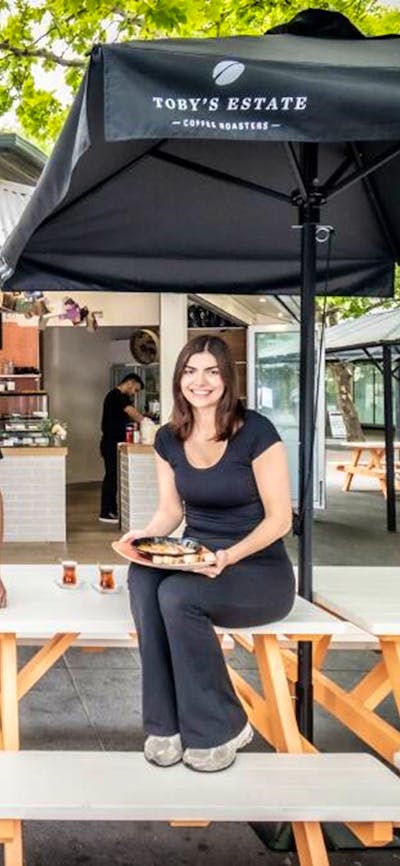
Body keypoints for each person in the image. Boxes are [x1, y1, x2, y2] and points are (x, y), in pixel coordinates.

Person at [121, 335, 294, 772]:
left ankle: (221, 725)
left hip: (257, 569)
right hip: (198, 558)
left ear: (226, 379)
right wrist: (142, 536)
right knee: (143, 578)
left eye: (212, 371)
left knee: (178, 596)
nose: (201, 381)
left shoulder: (256, 431)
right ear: (179, 378)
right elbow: (170, 512)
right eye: (191, 371)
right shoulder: (168, 439)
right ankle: (165, 724)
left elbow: (279, 520)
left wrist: (230, 556)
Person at [99, 373, 144, 523]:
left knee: (113, 476)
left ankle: (111, 510)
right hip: (111, 443)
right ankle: (107, 512)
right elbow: (134, 414)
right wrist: (147, 422)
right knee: (112, 477)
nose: (134, 393)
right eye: (135, 390)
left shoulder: (114, 396)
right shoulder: (118, 396)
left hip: (112, 442)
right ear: (130, 382)